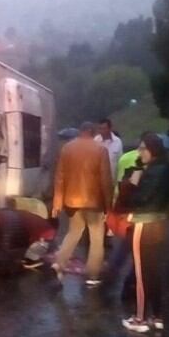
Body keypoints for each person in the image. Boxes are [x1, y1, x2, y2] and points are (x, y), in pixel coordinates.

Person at [120, 133, 169, 333]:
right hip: (159, 223)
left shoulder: (151, 172)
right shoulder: (167, 170)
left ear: (152, 150)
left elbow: (138, 200)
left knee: (141, 273)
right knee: (153, 270)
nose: (139, 152)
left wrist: (132, 184)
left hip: (143, 224)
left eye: (143, 148)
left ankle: (140, 318)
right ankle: (157, 315)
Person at [52, 121, 113, 286]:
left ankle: (60, 262)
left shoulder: (67, 148)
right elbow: (105, 180)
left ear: (80, 132)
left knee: (73, 233)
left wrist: (57, 203)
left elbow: (59, 177)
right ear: (93, 132)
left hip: (72, 201)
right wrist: (109, 205)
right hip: (94, 203)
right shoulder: (101, 150)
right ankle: (92, 275)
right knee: (96, 238)